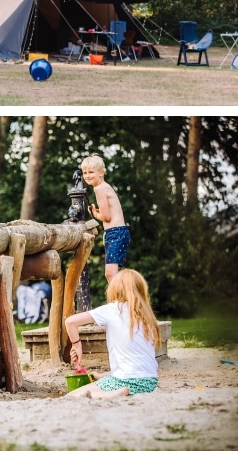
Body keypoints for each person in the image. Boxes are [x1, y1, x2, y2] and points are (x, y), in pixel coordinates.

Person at [64, 268, 161, 399]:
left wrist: (76, 345)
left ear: (114, 288)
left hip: (125, 381)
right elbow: (136, 363)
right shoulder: (147, 315)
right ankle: (109, 383)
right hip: (149, 382)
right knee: (108, 378)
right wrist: (103, 375)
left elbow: (70, 322)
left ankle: (115, 393)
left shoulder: (113, 309)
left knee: (72, 396)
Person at [81, 154, 128, 282]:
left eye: (91, 172)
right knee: (113, 273)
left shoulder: (99, 189)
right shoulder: (104, 187)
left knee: (110, 274)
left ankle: (119, 300)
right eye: (85, 172)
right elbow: (108, 212)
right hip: (116, 232)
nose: (87, 175)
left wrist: (94, 214)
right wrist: (97, 211)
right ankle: (121, 298)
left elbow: (106, 217)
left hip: (115, 232)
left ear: (101, 172)